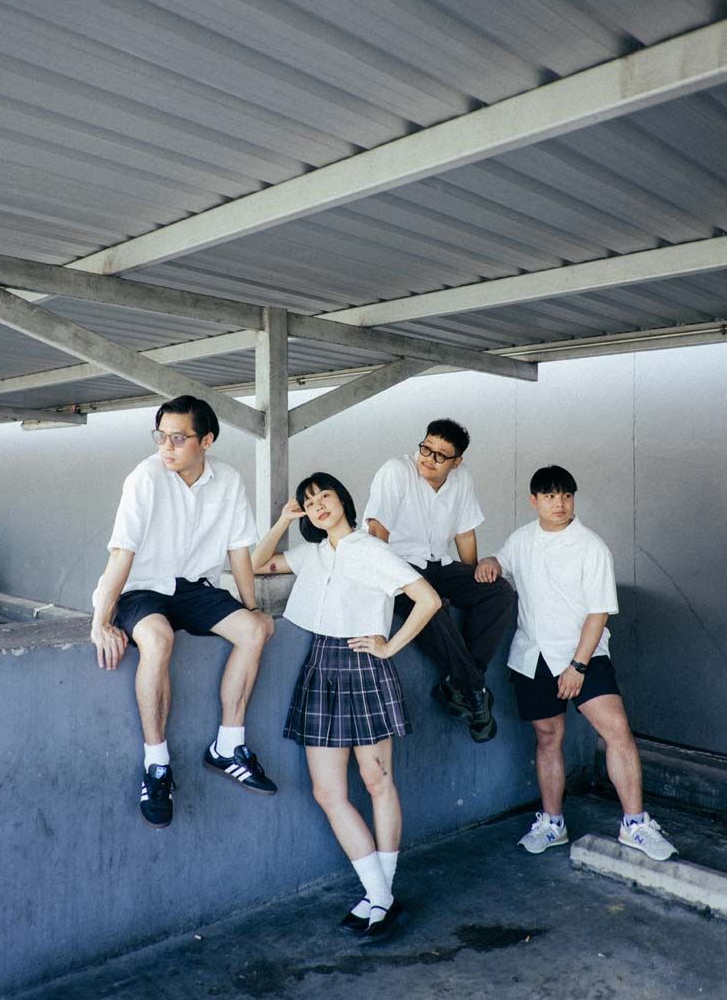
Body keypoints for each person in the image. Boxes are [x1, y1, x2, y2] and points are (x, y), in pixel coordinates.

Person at [252, 473, 441, 942]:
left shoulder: (371, 549)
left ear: (343, 500)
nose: (318, 504)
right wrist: (283, 521)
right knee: (327, 792)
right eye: (309, 501)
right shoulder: (311, 554)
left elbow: (428, 599)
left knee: (377, 781)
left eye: (325, 495)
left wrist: (389, 647)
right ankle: (380, 895)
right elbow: (255, 564)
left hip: (363, 663)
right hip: (321, 665)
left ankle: (380, 896)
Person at [91, 395, 276, 829]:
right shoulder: (145, 477)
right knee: (158, 640)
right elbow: (122, 553)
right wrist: (100, 621)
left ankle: (228, 745)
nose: (166, 447)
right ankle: (157, 765)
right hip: (142, 588)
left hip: (193, 588)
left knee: (255, 631)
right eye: (161, 437)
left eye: (178, 438)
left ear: (206, 440)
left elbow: (239, 551)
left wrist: (253, 608)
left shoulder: (228, 480)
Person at [476, 465, 677, 861]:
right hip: (533, 656)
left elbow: (598, 612)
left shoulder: (591, 546)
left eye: (566, 496)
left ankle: (635, 824)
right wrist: (490, 562)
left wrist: (578, 666)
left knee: (617, 732)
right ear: (534, 501)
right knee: (548, 737)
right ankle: (553, 824)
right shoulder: (521, 539)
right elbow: (500, 560)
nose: (560, 504)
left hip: (583, 655)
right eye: (550, 496)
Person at [363, 419, 515, 742]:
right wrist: (388, 584)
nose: (429, 458)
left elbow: (465, 533)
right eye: (426, 448)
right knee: (431, 606)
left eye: (440, 455)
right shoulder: (396, 471)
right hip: (398, 568)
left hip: (439, 565)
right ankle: (476, 690)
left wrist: (473, 583)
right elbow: (377, 532)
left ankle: (460, 684)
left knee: (499, 591)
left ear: (457, 462)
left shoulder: (462, 478)